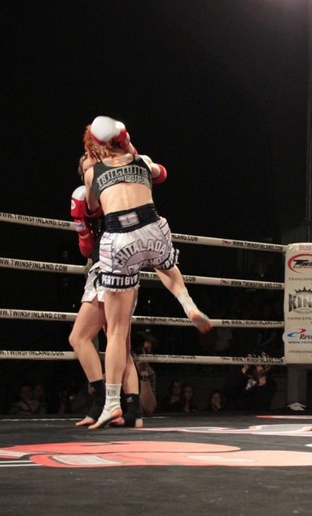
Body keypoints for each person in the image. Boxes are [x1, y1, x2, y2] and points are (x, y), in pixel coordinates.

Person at [82, 115, 211, 428]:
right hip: (152, 226)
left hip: (119, 237)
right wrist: (132, 150)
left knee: (116, 331)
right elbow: (162, 174)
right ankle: (188, 304)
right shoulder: (142, 160)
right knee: (166, 265)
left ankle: (112, 403)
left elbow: (92, 209)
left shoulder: (91, 171)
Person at [69, 153, 150, 428]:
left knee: (81, 337)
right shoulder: (106, 192)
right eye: (86, 169)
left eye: (94, 165)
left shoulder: (109, 192)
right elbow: (85, 245)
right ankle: (133, 412)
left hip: (110, 264)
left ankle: (102, 402)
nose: (90, 171)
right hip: (122, 263)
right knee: (118, 343)